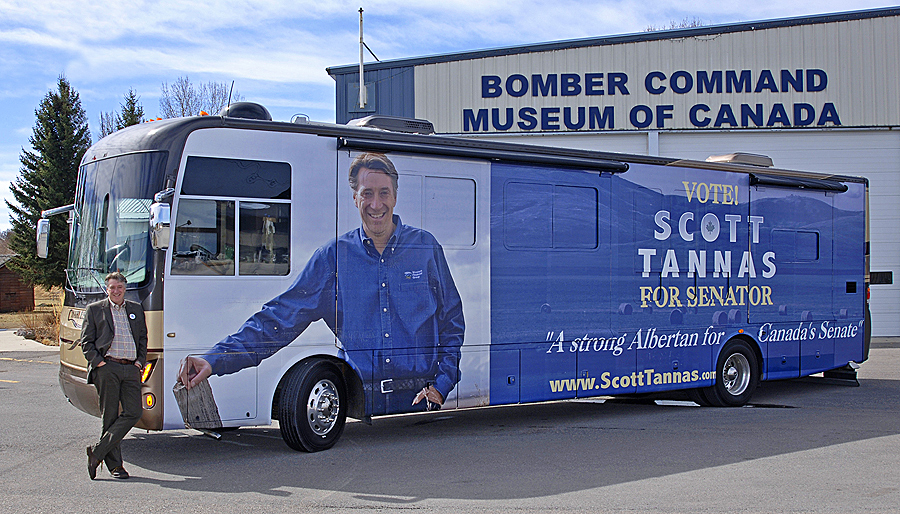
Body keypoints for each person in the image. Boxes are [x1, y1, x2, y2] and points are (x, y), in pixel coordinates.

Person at [178, 152, 464, 413]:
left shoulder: (425, 248)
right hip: (361, 406)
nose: (376, 204)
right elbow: (279, 318)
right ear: (355, 198)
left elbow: (451, 320)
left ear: (395, 196)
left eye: (383, 193)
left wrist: (441, 385)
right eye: (367, 194)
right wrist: (215, 359)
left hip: (419, 403)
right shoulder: (333, 258)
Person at [82, 272, 147, 480]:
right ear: (106, 289)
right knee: (109, 416)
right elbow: (86, 342)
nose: (116, 291)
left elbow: (143, 338)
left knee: (134, 412)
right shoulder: (94, 310)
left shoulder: (135, 309)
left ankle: (97, 452)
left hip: (131, 368)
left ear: (125, 288)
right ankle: (116, 466)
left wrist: (140, 362)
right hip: (108, 367)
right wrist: (99, 363)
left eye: (119, 287)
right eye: (112, 287)